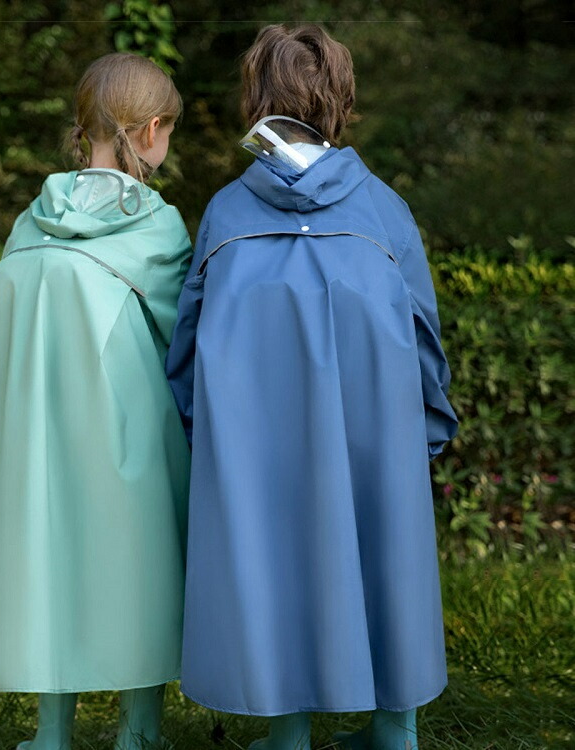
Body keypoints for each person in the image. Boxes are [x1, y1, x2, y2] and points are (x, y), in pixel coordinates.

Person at [165, 24, 459, 750]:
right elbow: (425, 336)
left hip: (256, 451)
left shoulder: (226, 214)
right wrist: (425, 433)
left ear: (255, 100)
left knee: (274, 556)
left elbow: (187, 345)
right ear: (341, 102)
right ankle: (395, 732)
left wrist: (203, 433)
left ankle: (287, 734)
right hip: (378, 439)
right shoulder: (384, 209)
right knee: (389, 548)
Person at [0, 52, 192, 750]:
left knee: (52, 557)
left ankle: (52, 734)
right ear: (151, 130)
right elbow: (182, 333)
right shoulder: (159, 225)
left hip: (39, 432)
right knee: (139, 561)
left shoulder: (33, 220)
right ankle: (138, 733)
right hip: (128, 427)